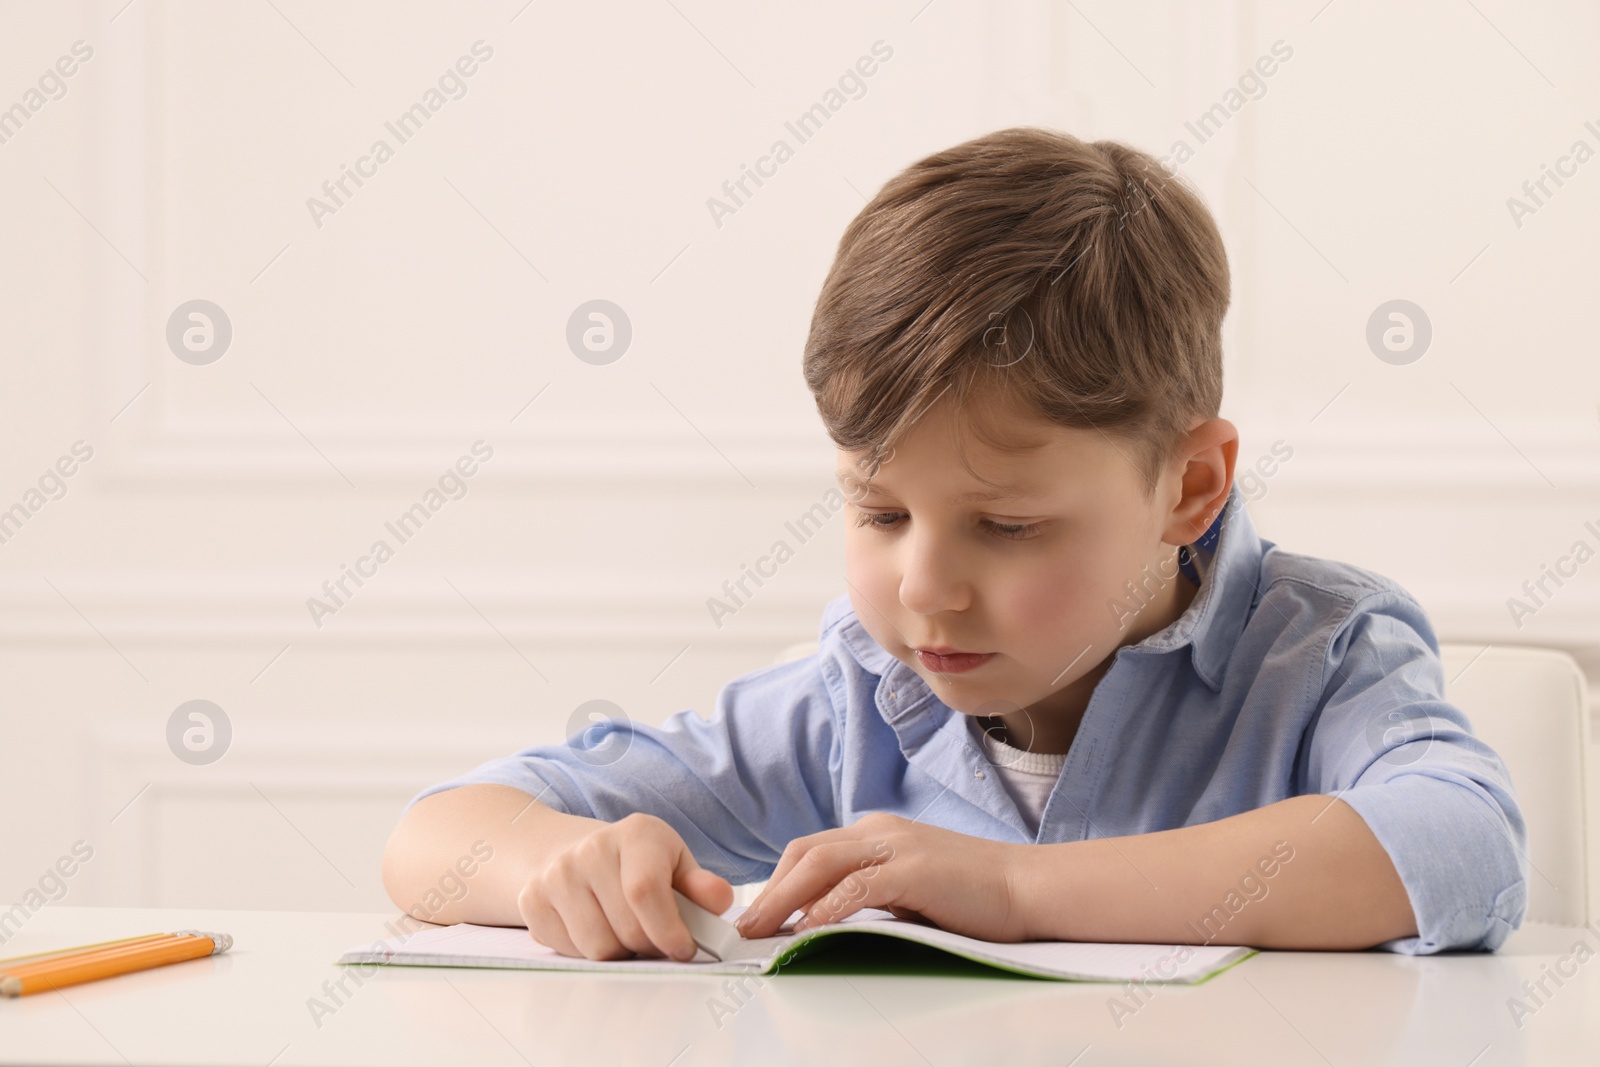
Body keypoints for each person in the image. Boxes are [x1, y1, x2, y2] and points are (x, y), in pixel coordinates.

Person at [381, 126, 1526, 962]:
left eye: (1008, 526)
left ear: (1189, 486)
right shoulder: (856, 696)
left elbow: (1459, 842)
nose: (924, 589)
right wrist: (561, 865)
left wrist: (1021, 889)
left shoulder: (1318, 655)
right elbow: (436, 834)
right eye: (880, 513)